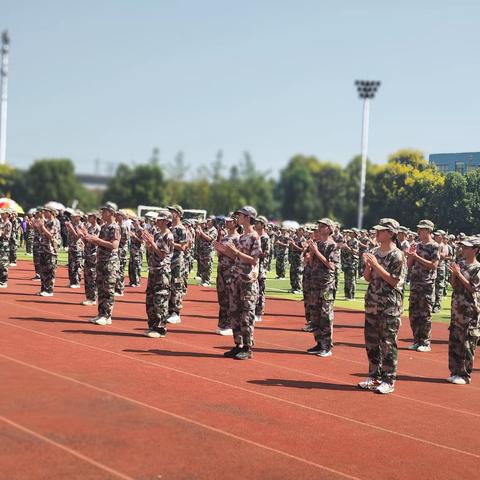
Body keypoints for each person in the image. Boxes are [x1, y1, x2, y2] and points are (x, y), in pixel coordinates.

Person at [358, 218, 407, 395]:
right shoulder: (374, 252)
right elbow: (368, 278)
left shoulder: (398, 255)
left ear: (391, 233)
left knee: (387, 344)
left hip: (389, 306)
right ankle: (374, 376)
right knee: (371, 343)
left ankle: (389, 379)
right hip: (372, 303)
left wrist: (376, 264)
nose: (377, 233)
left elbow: (393, 281)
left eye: (381, 230)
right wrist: (369, 266)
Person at [217, 206, 262, 360]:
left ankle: (248, 348)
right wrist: (224, 250)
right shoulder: (242, 237)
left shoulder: (254, 237)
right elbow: (236, 257)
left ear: (248, 217)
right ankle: (238, 345)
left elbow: (254, 260)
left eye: (240, 215)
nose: (238, 218)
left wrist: (236, 252)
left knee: (246, 314)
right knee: (234, 312)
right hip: (236, 278)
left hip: (247, 281)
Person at [447, 237, 480, 385]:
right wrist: (454, 274)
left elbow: (473, 288)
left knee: (467, 342)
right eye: (463, 247)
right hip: (457, 309)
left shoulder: (478, 268)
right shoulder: (460, 264)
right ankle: (455, 371)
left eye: (467, 248)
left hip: (469, 311)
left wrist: (458, 273)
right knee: (455, 341)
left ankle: (465, 374)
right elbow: (454, 285)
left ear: (475, 250)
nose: (463, 250)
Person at [305, 218, 340, 357]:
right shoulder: (318, 243)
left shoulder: (333, 245)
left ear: (330, 229)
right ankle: (319, 342)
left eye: (323, 225)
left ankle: (327, 346)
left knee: (325, 314)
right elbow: (311, 262)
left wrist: (316, 251)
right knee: (315, 314)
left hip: (326, 284)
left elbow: (331, 265)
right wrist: (311, 254)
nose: (319, 227)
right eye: (319, 225)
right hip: (315, 283)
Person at [80, 205, 120, 325]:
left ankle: (107, 316)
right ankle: (101, 314)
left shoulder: (115, 227)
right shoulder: (104, 227)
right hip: (101, 260)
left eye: (104, 211)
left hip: (110, 262)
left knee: (108, 289)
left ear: (111, 213)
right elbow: (101, 243)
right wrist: (89, 238)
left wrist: (96, 240)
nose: (101, 213)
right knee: (101, 289)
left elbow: (114, 245)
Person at [405, 219, 440, 352]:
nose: (418, 231)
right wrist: (410, 256)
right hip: (415, 283)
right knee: (413, 313)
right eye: (418, 229)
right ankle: (416, 340)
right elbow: (408, 265)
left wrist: (416, 257)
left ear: (429, 230)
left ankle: (425, 342)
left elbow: (434, 265)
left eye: (422, 229)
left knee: (425, 314)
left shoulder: (434, 246)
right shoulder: (417, 245)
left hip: (427, 284)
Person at [142, 210, 174, 338]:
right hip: (153, 270)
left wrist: (153, 244)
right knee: (150, 299)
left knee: (160, 300)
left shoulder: (168, 236)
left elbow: (162, 255)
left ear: (166, 222)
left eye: (160, 219)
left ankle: (161, 328)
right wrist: (148, 244)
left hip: (162, 272)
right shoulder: (156, 233)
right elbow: (152, 251)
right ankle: (152, 326)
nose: (157, 221)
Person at [215, 215, 239, 335]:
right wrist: (218, 249)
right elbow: (219, 255)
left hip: (231, 271)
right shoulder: (224, 238)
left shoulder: (238, 238)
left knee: (230, 298)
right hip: (221, 270)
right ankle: (223, 323)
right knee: (222, 298)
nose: (226, 223)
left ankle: (230, 325)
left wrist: (225, 251)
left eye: (229, 221)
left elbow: (237, 257)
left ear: (235, 223)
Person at [166, 205, 188, 324]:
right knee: (168, 286)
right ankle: (169, 311)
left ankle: (176, 312)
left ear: (178, 214)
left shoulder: (181, 229)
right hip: (168, 260)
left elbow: (183, 247)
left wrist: (170, 243)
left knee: (176, 286)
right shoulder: (169, 227)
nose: (170, 213)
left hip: (177, 261)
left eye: (172, 211)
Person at [34, 206, 60, 296]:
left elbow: (51, 236)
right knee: (43, 270)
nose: (44, 213)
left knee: (50, 270)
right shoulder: (46, 222)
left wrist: (42, 227)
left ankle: (49, 290)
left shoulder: (55, 222)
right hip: (43, 248)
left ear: (51, 212)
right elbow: (42, 234)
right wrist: (38, 227)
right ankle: (44, 289)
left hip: (50, 250)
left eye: (46, 211)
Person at [78, 212, 101, 306]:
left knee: (92, 277)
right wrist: (83, 236)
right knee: (87, 276)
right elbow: (86, 241)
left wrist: (86, 235)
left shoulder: (98, 228)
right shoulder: (90, 227)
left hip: (93, 255)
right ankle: (89, 297)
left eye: (90, 217)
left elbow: (96, 241)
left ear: (94, 218)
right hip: (87, 254)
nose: (88, 218)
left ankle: (93, 298)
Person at [254, 215, 271, 322]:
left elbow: (266, 253)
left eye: (258, 223)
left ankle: (259, 312)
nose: (256, 224)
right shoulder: (256, 236)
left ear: (263, 225)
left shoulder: (265, 238)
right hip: (254, 266)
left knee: (260, 290)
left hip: (261, 267)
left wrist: (257, 252)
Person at [196, 216, 218, 286]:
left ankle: (207, 280)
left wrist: (201, 232)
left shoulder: (214, 230)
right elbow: (198, 237)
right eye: (207, 220)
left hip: (208, 250)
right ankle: (203, 280)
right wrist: (198, 230)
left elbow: (209, 238)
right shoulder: (205, 229)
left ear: (213, 222)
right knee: (202, 265)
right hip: (202, 249)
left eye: (209, 220)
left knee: (208, 265)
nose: (207, 222)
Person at [65, 210, 84, 288]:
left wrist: (70, 227)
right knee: (71, 265)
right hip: (72, 247)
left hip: (78, 248)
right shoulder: (72, 224)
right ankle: (72, 281)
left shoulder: (81, 225)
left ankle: (76, 282)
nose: (71, 218)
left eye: (74, 216)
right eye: (72, 216)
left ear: (78, 217)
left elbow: (77, 237)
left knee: (77, 265)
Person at [433, 230, 449, 313]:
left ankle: (437, 304)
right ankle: (432, 303)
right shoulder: (433, 244)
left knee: (439, 286)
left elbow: (444, 255)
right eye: (435, 235)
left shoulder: (444, 245)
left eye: (438, 235)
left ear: (442, 236)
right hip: (432, 267)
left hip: (440, 267)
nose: (435, 237)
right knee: (432, 285)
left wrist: (437, 251)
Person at [340, 229, 359, 300]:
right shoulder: (347, 241)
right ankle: (347, 295)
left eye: (351, 232)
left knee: (351, 279)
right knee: (346, 279)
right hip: (346, 262)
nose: (349, 233)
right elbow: (344, 252)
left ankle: (351, 295)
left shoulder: (356, 242)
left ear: (355, 234)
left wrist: (347, 248)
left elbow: (355, 251)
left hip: (352, 262)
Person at [128, 216, 144, 288]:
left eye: (135, 221)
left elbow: (142, 241)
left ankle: (137, 282)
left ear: (139, 222)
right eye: (133, 222)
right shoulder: (133, 229)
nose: (133, 223)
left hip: (138, 250)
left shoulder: (141, 230)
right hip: (132, 250)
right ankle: (132, 281)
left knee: (137, 266)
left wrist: (134, 236)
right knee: (131, 266)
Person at [289, 226, 306, 294]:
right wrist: (291, 244)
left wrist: (294, 245)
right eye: (299, 230)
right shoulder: (295, 238)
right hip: (293, 256)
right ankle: (293, 287)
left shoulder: (303, 240)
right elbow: (291, 247)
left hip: (299, 257)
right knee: (292, 272)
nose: (299, 231)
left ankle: (298, 288)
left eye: (301, 230)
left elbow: (303, 249)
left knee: (298, 272)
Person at [0, 208, 12, 287]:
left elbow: (6, 234)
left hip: (4, 245)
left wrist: (1, 232)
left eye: (3, 213)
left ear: (7, 214)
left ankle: (4, 281)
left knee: (4, 263)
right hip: (1, 244)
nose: (1, 214)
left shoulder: (8, 223)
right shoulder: (1, 223)